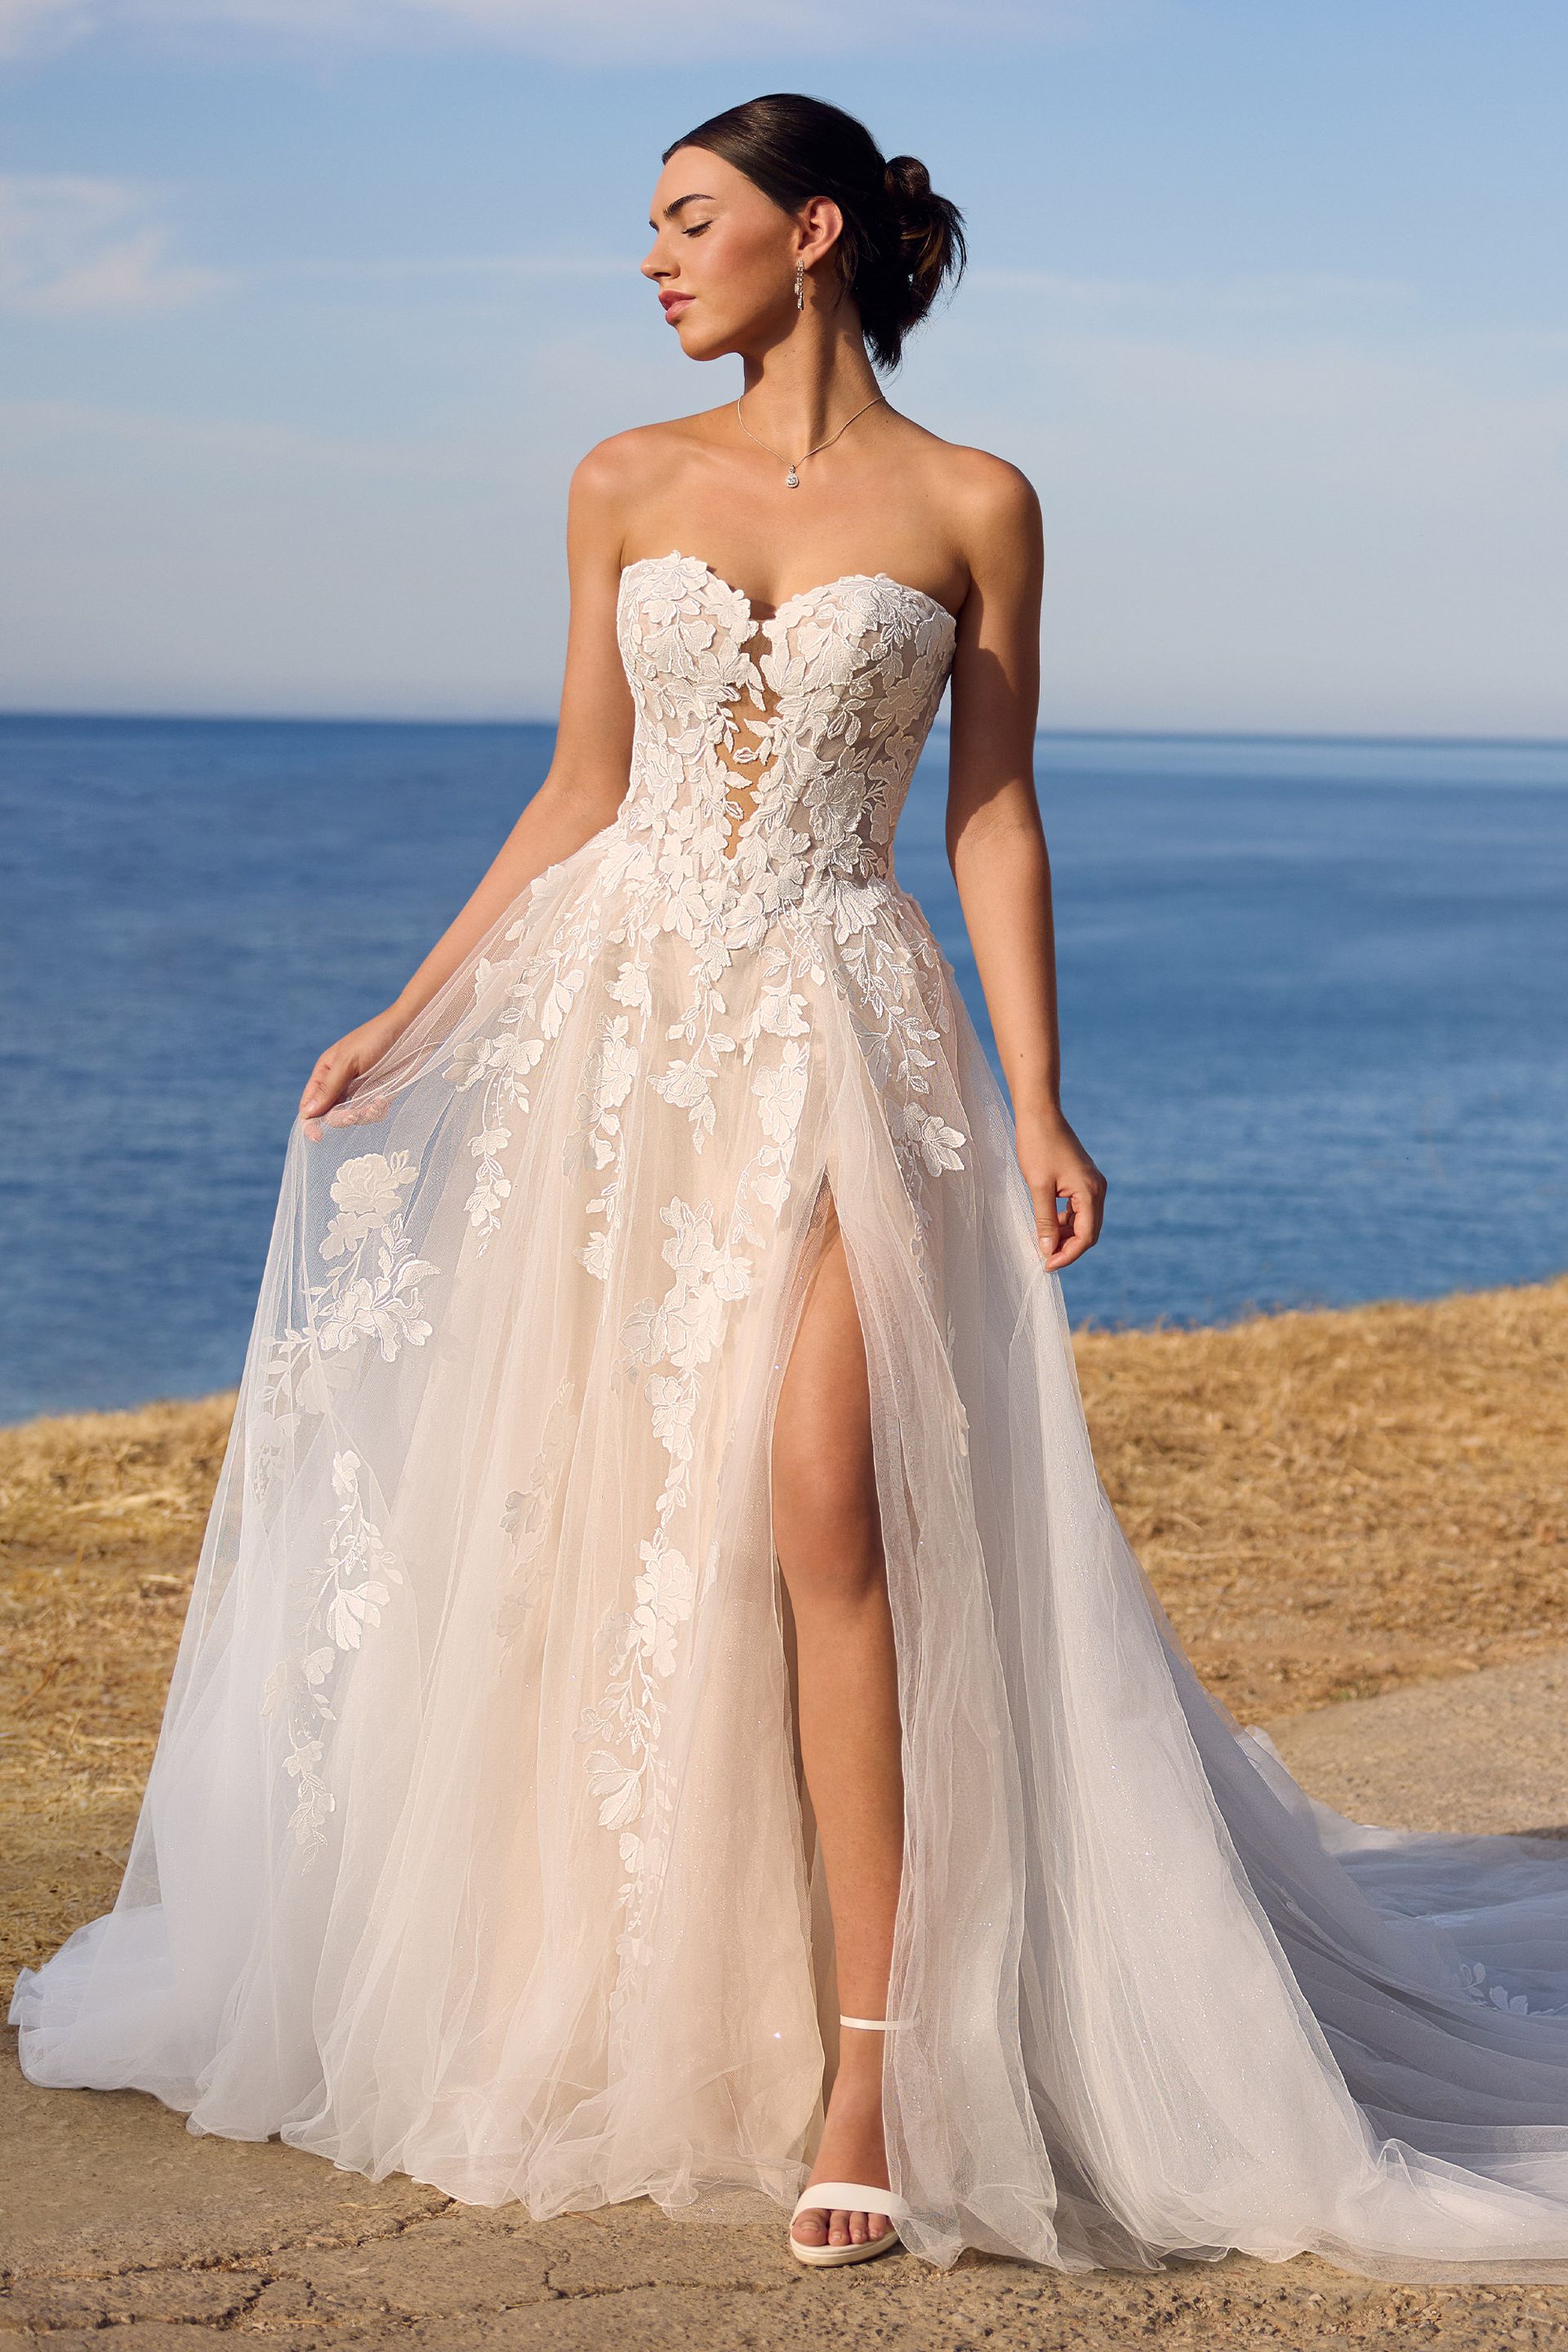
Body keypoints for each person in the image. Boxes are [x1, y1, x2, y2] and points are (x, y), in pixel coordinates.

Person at [15, 88, 1568, 2288]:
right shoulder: (619, 479)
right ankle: (627, 1988)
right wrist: (411, 1009)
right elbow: (581, 784)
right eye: (650, 230)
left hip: (844, 1036)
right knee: (627, 1517)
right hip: (616, 1044)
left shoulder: (976, 502)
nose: (652, 262)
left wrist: (1041, 1098)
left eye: (686, 220)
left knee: (830, 1495)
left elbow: (995, 820)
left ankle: (869, 2064)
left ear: (810, 233)